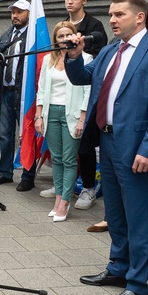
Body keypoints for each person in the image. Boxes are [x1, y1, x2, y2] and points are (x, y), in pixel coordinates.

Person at [66, 0, 148, 295]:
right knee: (115, 213)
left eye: (119, 14)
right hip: (108, 141)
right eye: (111, 14)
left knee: (139, 218)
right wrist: (75, 56)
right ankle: (118, 268)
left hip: (138, 148)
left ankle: (138, 286)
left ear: (140, 17)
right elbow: (82, 79)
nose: (112, 20)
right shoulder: (108, 51)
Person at [34, 21, 92, 222]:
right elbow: (41, 90)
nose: (65, 39)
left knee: (68, 159)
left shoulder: (86, 58)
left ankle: (65, 201)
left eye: (68, 35)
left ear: (75, 37)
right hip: (51, 113)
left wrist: (82, 119)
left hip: (73, 115)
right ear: (55, 40)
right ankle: (58, 198)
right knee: (56, 159)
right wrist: (39, 116)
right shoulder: (48, 59)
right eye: (60, 36)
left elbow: (88, 91)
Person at [62, 0, 109, 211]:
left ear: (84, 1)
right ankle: (65, 183)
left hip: (86, 85)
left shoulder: (95, 26)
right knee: (64, 138)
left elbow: (98, 63)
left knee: (85, 143)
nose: (70, 1)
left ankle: (89, 186)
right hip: (65, 84)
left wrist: (79, 51)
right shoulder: (63, 23)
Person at [0, 0, 37, 191]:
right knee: (5, 135)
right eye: (13, 12)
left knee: (26, 134)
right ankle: (5, 172)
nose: (15, 16)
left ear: (29, 13)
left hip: (24, 93)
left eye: (19, 12)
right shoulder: (6, 35)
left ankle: (28, 175)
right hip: (6, 91)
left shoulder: (33, 37)